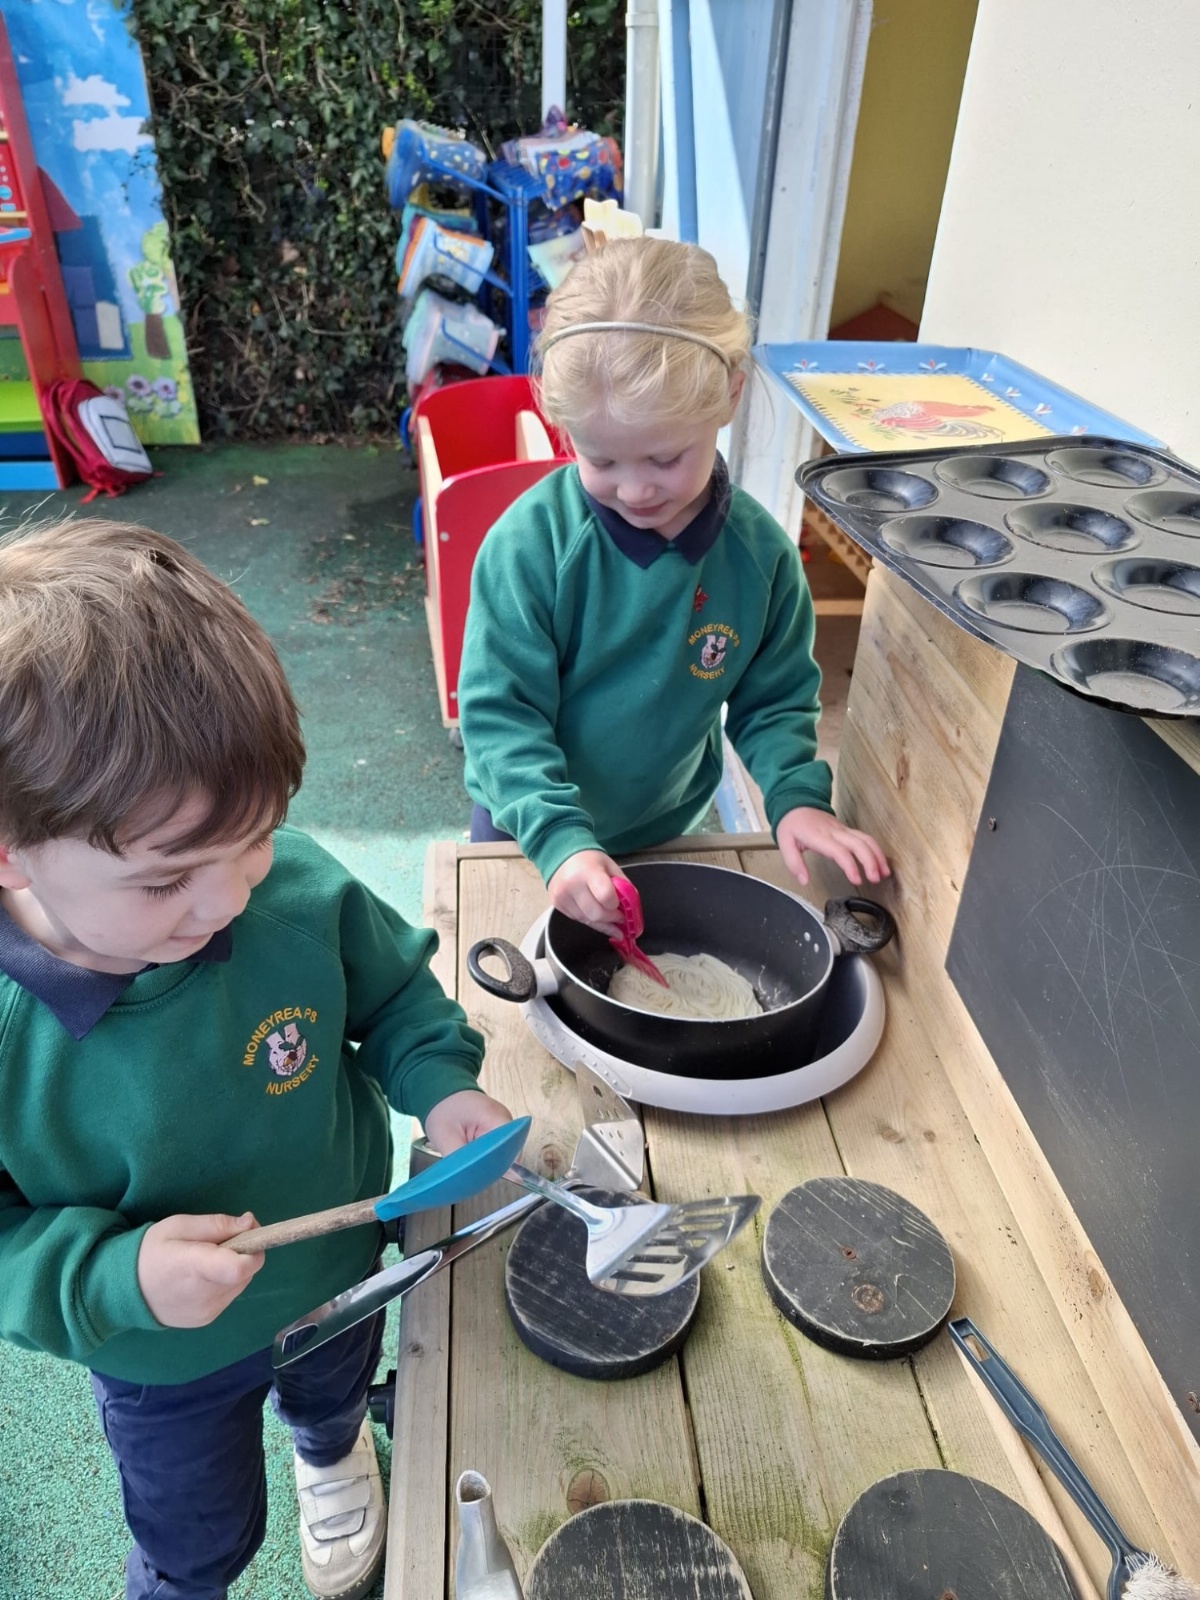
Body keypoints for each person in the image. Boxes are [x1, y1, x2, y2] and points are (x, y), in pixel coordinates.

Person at [0, 518, 512, 1600]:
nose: (229, 898)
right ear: (11, 851)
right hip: (160, 1362)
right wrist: (115, 1277)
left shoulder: (294, 892)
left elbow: (395, 994)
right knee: (195, 1544)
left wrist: (442, 1084)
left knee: (332, 1398)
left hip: (337, 1278)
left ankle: (330, 1452)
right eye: (166, 878)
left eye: (258, 837)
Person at [458, 237, 888, 936]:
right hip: (528, 832)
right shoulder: (528, 549)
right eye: (600, 460)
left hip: (666, 829)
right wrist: (559, 839)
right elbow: (502, 716)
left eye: (665, 458)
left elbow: (774, 699)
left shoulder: (761, 558)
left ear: (730, 393)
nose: (635, 489)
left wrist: (795, 796)